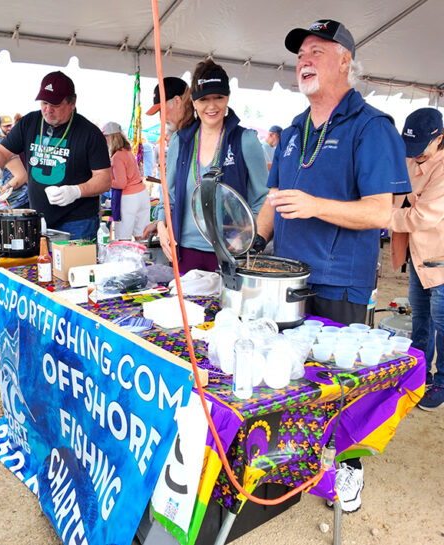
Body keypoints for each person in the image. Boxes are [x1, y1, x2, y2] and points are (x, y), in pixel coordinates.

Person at [254, 19, 411, 514]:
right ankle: (293, 464)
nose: (304, 60)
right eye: (301, 52)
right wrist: (253, 246)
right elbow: (274, 202)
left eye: (317, 51)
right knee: (287, 379)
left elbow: (381, 212)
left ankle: (349, 471)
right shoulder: (294, 129)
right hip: (285, 280)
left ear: (345, 60)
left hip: (341, 281)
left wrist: (315, 204)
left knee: (342, 386)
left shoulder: (372, 127)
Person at [154, 60, 268, 273]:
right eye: (204, 99)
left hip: (231, 256)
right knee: (187, 307)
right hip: (184, 251)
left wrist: (244, 240)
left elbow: (262, 198)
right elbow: (168, 194)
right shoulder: (181, 140)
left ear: (228, 98)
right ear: (194, 103)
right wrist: (161, 225)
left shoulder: (246, 140)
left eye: (219, 97)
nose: (212, 106)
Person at [0, 71, 112, 239]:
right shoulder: (29, 122)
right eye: (44, 103)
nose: (48, 110)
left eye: (55, 104)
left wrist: (76, 191)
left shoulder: (90, 133)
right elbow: (1, 151)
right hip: (38, 218)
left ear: (72, 103)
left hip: (78, 221)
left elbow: (104, 179)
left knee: (75, 265)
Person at [390, 108, 444, 409]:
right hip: (419, 256)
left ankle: (442, 382)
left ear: (440, 138)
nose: (415, 156)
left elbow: (423, 217)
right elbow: (396, 193)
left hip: (441, 258)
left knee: (443, 324)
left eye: (420, 147)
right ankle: (417, 375)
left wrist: (379, 216)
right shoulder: (411, 158)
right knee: (421, 321)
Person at [141, 77, 192, 239]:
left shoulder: (191, 138)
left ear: (177, 101)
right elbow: (171, 191)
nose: (161, 118)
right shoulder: (178, 139)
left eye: (162, 111)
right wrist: (160, 222)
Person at [102, 121, 151, 240]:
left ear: (110, 137)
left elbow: (120, 183)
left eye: (105, 137)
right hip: (142, 194)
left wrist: (105, 181)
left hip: (129, 198)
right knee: (142, 236)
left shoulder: (117, 156)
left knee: (123, 238)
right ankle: (143, 258)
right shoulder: (127, 152)